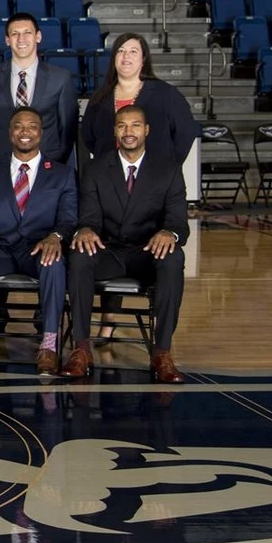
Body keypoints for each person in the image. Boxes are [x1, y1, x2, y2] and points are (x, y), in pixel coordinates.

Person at [64, 105, 188, 383]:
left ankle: (162, 352)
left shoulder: (167, 169)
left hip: (148, 253)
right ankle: (81, 348)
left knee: (174, 258)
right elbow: (90, 217)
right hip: (109, 251)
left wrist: (169, 232)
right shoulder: (96, 168)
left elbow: (179, 221)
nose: (128, 131)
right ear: (115, 131)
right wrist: (85, 229)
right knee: (79, 255)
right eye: (122, 125)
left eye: (135, 125)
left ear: (146, 130)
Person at [0, 107, 78, 375]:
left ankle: (48, 346)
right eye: (19, 126)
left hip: (38, 247)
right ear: (10, 132)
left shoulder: (61, 174)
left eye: (32, 126)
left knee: (54, 262)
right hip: (0, 247)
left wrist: (55, 237)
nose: (25, 132)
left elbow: (70, 219)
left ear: (41, 132)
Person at [0, 12, 78, 165]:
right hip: (1, 163)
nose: (21, 39)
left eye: (27, 33)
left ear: (38, 36)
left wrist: (58, 159)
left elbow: (68, 126)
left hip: (48, 162)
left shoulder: (60, 77)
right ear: (7, 40)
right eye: (15, 34)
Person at [80, 33, 200, 164]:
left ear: (143, 59)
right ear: (114, 59)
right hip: (109, 178)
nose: (126, 56)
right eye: (121, 51)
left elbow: (186, 132)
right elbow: (89, 138)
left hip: (156, 179)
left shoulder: (166, 93)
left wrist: (168, 169)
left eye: (133, 51)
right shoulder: (99, 98)